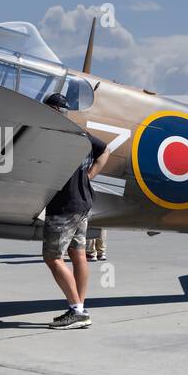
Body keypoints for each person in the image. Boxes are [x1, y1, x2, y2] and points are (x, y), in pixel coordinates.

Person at [40, 93, 109, 329]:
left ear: (53, 111)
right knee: (78, 254)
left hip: (65, 206)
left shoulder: (52, 137)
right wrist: (88, 177)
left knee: (52, 257)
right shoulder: (81, 134)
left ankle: (76, 311)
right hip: (83, 202)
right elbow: (105, 150)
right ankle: (80, 306)